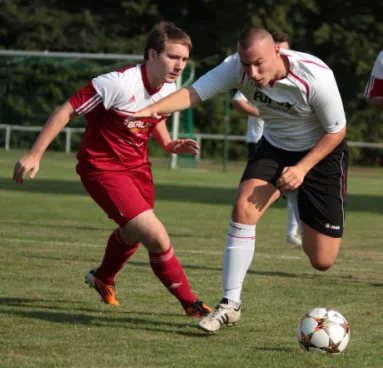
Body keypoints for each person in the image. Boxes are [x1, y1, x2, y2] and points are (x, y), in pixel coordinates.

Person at [131, 27, 348, 333]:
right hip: (274, 148)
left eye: (259, 63)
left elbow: (337, 131)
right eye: (247, 65)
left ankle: (295, 194)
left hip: (320, 154)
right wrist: (149, 110)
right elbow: (194, 93)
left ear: (277, 52)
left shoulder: (315, 76)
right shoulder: (236, 67)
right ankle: (229, 304)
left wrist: (301, 170)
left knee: (322, 259)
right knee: (243, 207)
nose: (253, 73)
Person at [12, 21, 212, 318]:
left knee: (132, 234)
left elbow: (155, 116)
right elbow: (67, 109)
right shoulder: (117, 83)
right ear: (152, 55)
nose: (179, 65)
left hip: (138, 169)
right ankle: (192, 305)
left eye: (184, 59)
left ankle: (103, 278)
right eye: (173, 57)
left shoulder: (170, 87)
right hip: (102, 168)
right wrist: (35, 153)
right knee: (156, 236)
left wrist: (168, 144)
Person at [231, 32, 301, 246]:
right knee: (258, 194)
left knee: (295, 184)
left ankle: (295, 231)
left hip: (292, 142)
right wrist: (265, 112)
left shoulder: (299, 76)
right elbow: (237, 101)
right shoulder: (256, 75)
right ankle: (247, 227)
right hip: (261, 141)